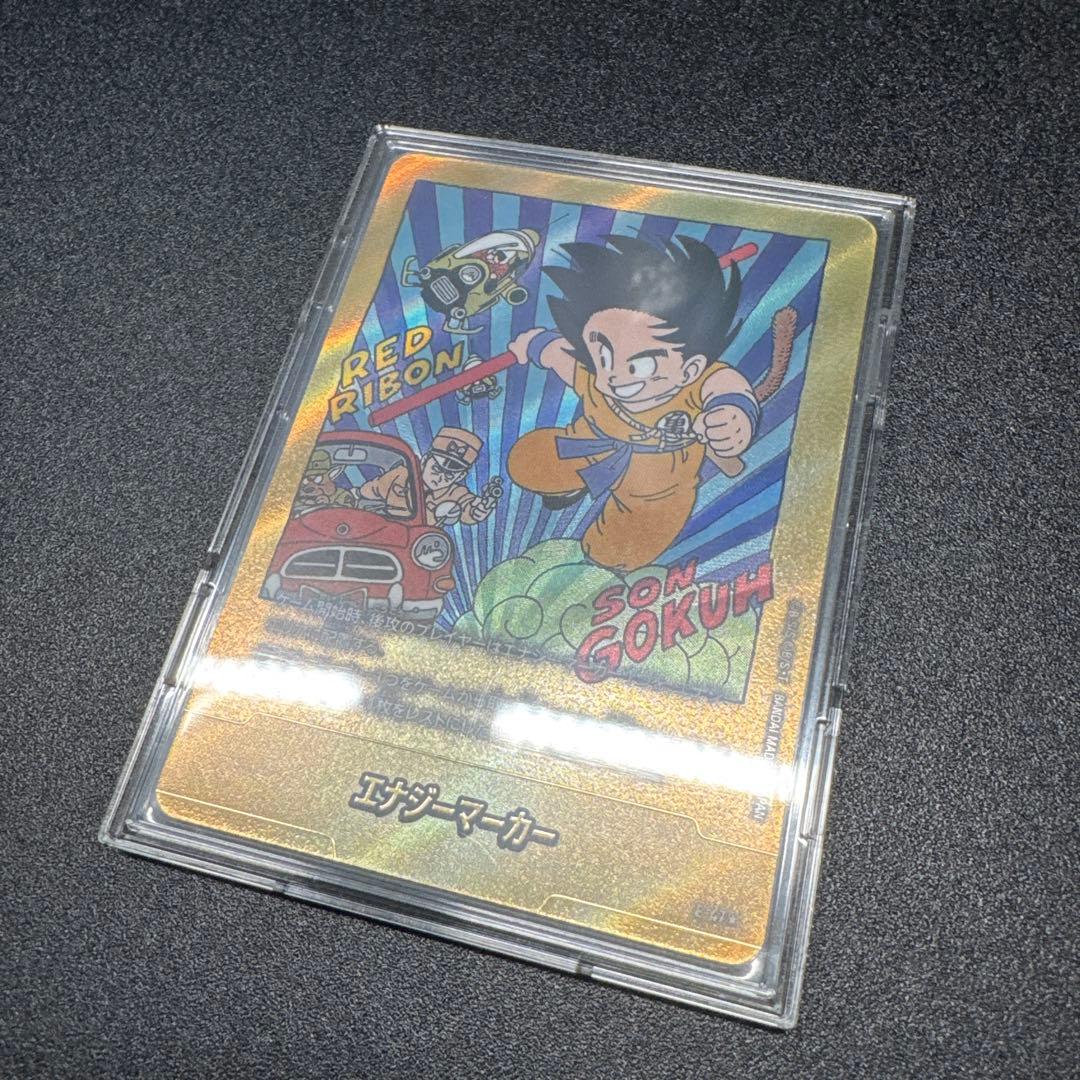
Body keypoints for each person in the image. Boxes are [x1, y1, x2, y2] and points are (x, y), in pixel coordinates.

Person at [506, 234, 762, 573]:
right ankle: (570, 487)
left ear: (689, 369)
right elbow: (560, 354)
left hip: (657, 486)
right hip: (586, 446)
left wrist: (733, 416)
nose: (614, 375)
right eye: (604, 356)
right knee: (527, 462)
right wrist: (536, 343)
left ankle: (605, 561)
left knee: (620, 548)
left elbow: (725, 385)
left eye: (639, 363)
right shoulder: (594, 374)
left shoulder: (695, 381)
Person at [358, 426, 501, 526]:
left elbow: (467, 507)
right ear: (425, 460)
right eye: (436, 469)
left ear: (460, 476)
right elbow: (371, 489)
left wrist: (477, 511)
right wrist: (354, 495)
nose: (439, 478)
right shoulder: (401, 474)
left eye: (449, 476)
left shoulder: (456, 493)